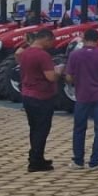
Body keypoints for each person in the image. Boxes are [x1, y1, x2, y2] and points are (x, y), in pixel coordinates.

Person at [65, 28, 98, 170]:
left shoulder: (75, 55)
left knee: (79, 128)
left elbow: (69, 77)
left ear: (83, 38)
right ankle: (96, 161)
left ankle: (78, 160)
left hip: (82, 96)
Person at [19, 29, 60, 172]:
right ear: (46, 39)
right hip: (41, 96)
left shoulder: (25, 53)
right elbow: (50, 77)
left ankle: (37, 156)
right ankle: (36, 160)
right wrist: (58, 72)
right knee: (42, 129)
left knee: (34, 128)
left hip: (27, 94)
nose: (51, 45)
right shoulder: (43, 55)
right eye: (51, 42)